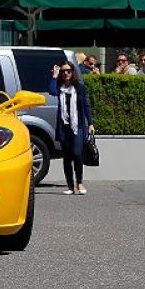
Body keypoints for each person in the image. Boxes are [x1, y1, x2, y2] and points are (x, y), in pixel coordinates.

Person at [50, 62, 94, 195]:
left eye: (68, 71)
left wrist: (90, 123)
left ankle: (79, 182)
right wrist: (54, 76)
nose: (66, 74)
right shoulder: (59, 87)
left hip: (78, 126)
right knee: (67, 157)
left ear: (72, 72)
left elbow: (85, 105)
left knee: (76, 154)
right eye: (63, 72)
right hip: (64, 126)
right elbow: (51, 90)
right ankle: (70, 186)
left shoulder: (79, 87)